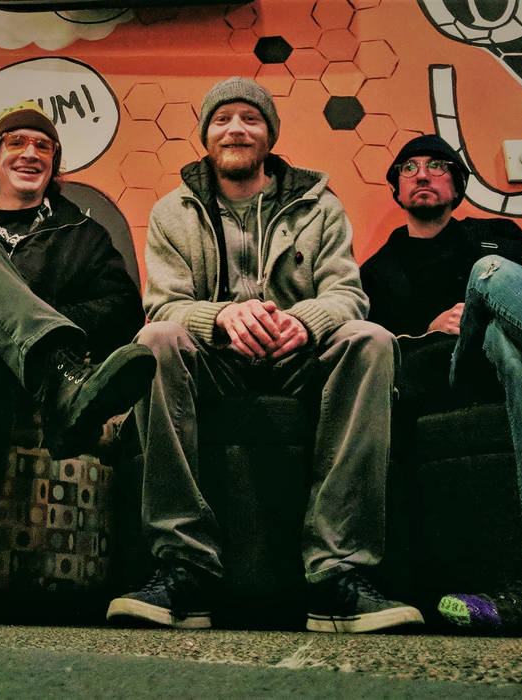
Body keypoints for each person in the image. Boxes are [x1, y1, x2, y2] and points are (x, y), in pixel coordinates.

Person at [105, 76, 423, 633]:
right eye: (222, 119)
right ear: (206, 135)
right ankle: (184, 567)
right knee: (154, 341)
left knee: (370, 338)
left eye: (250, 119)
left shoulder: (319, 206)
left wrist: (305, 321)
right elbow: (164, 305)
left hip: (298, 361)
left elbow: (348, 295)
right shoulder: (172, 212)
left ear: (270, 135)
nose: (236, 129)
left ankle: (337, 573)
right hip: (216, 363)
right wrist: (221, 317)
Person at [0, 101, 156, 618]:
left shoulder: (82, 233)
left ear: (54, 163)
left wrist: (11, 321)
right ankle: (61, 377)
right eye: (15, 142)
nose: (30, 153)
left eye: (43, 146)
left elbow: (122, 309)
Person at [360, 133, 522, 634]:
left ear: (459, 185)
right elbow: (374, 358)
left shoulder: (498, 234)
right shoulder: (378, 271)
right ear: (397, 190)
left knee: (507, 335)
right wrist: (427, 329)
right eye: (409, 168)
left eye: (437, 165)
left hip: (517, 361)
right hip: (451, 372)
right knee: (489, 273)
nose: (422, 174)